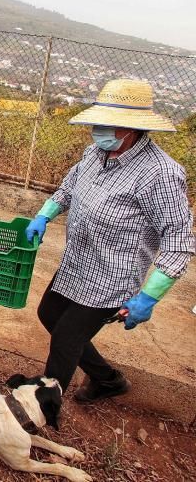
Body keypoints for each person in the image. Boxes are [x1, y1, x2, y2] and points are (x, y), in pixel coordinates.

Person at [25, 79, 194, 402]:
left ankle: (42, 405)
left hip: (112, 277)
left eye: (107, 124)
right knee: (49, 313)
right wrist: (45, 215)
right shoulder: (95, 154)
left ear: (131, 128)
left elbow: (178, 239)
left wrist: (149, 296)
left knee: (66, 338)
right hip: (78, 263)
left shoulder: (160, 174)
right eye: (97, 122)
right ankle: (108, 380)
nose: (98, 130)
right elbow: (69, 188)